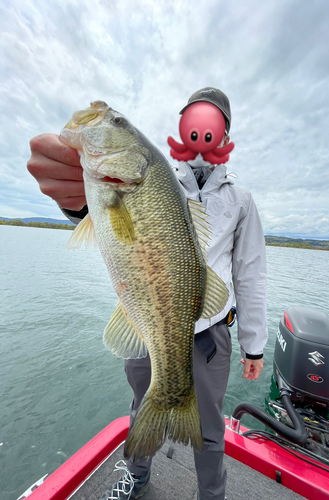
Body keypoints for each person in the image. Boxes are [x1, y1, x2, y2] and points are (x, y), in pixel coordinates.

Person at [27, 87, 268, 500]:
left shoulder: (241, 200)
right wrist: (71, 202)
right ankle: (135, 476)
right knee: (143, 404)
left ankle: (212, 495)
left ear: (225, 137)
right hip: (145, 318)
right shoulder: (153, 176)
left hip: (212, 334)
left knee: (210, 427)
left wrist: (255, 346)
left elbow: (250, 272)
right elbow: (92, 211)